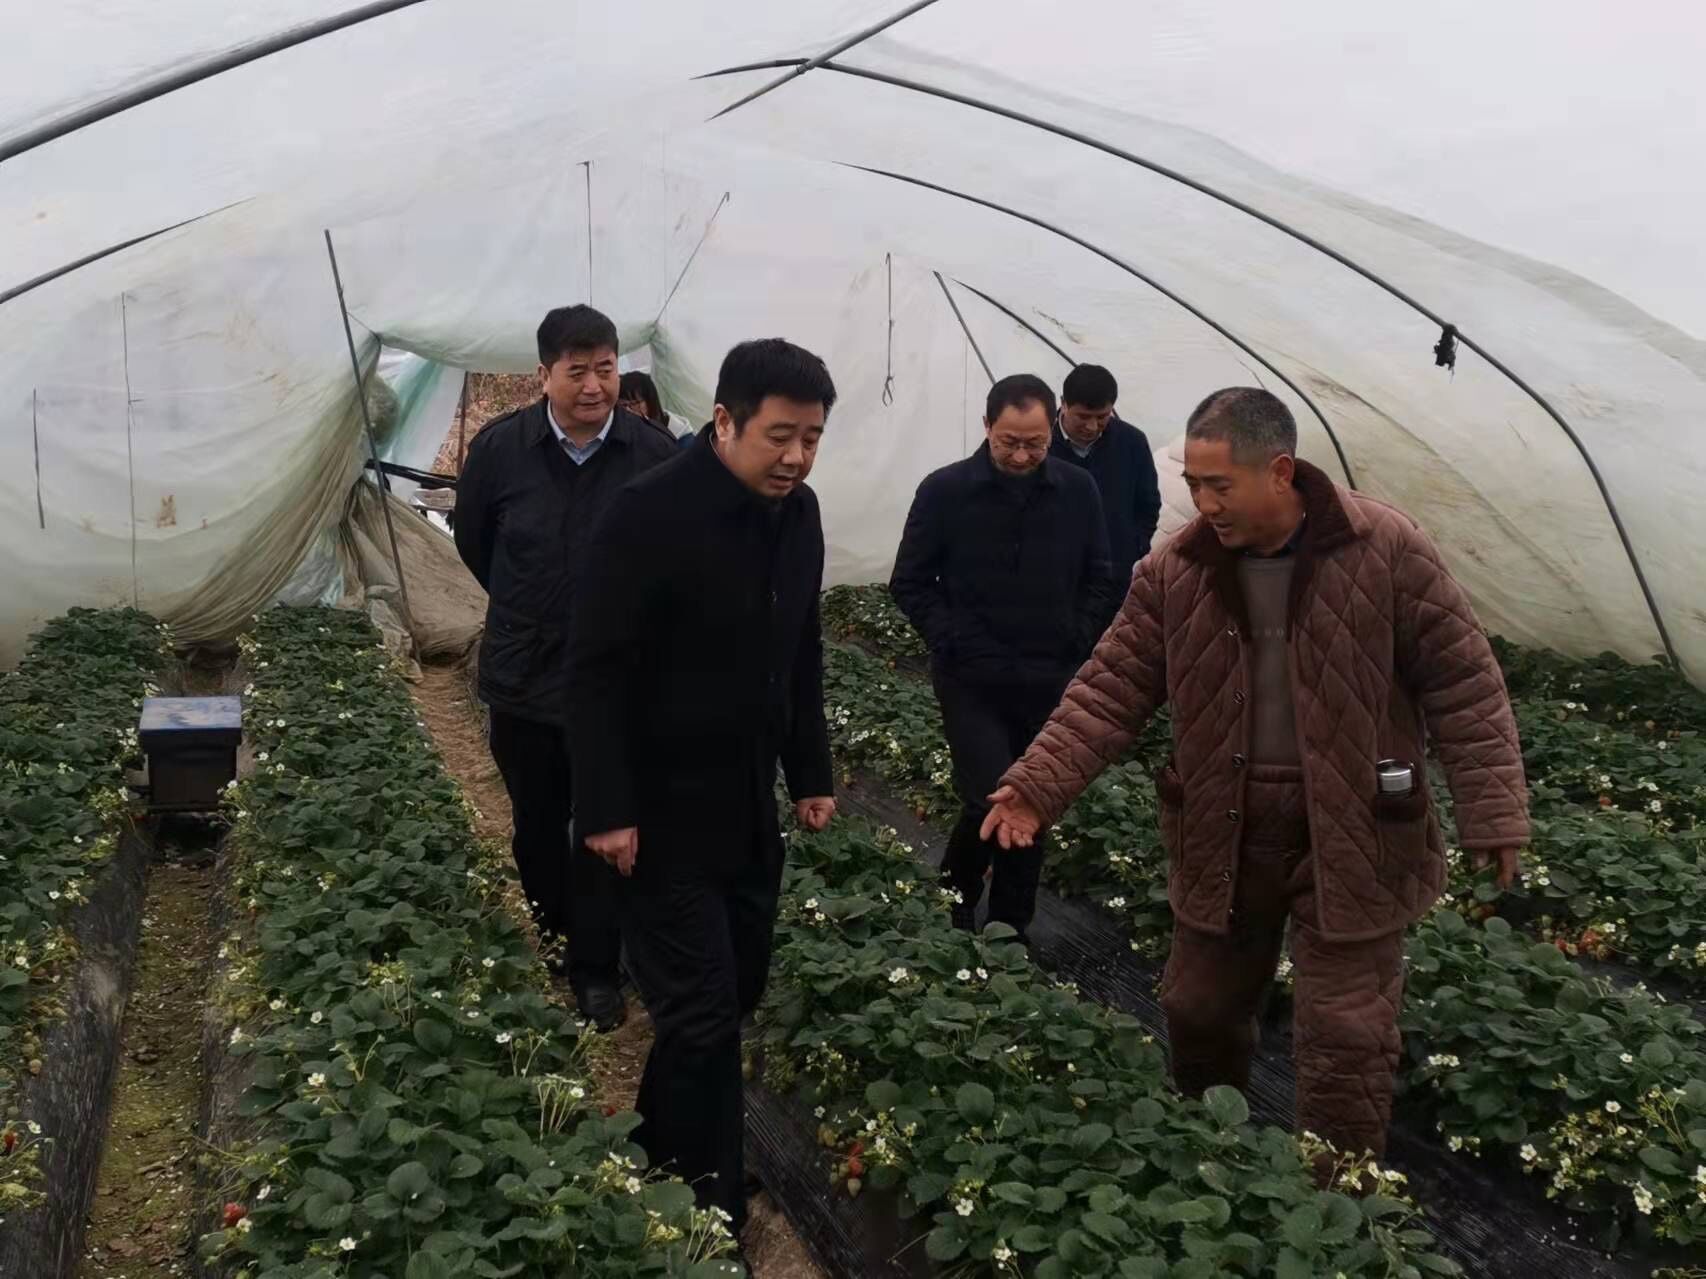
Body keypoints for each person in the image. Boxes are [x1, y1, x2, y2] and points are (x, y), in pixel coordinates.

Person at [982, 387, 1529, 1161]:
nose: (1204, 504)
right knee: (1197, 1007)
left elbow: (1463, 680)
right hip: (1223, 823)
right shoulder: (1176, 569)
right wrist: (1037, 785)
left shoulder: (1386, 548)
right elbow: (1111, 687)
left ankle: (1337, 1195)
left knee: (1346, 1031)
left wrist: (1493, 810)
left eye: (1219, 485)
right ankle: (1215, 1164)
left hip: (1356, 826)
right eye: (1194, 485)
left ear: (1278, 471)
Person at [567, 338, 838, 1239]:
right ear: (724, 420)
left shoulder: (798, 517)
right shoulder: (647, 514)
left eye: (811, 438)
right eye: (779, 436)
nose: (796, 457)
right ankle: (706, 1210)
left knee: (735, 988)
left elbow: (801, 646)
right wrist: (607, 807)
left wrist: (810, 771)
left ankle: (656, 1146)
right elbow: (596, 669)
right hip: (659, 809)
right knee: (704, 1010)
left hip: (746, 804)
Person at [453, 304, 678, 1032]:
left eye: (605, 369)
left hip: (619, 681)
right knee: (537, 821)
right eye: (576, 371)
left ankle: (596, 965)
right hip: (525, 673)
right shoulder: (500, 450)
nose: (593, 386)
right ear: (544, 374)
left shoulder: (653, 453)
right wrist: (528, 605)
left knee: (605, 819)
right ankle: (556, 930)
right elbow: (473, 541)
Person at [890, 374, 1115, 941]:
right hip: (971, 679)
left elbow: (1100, 575)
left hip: (1048, 675)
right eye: (1008, 441)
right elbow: (909, 581)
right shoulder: (945, 491)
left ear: (1051, 432)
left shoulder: (1077, 490)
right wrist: (950, 638)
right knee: (987, 794)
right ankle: (957, 895)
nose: (1020, 455)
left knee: (1032, 798)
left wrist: (1076, 636)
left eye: (1034, 444)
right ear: (987, 426)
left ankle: (1010, 925)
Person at [1050, 364, 1160, 627]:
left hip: (1115, 581)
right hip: (1055, 583)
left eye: (1102, 417)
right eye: (1083, 416)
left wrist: (1133, 548)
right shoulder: (1041, 444)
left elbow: (1148, 505)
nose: (1092, 426)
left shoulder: (1131, 442)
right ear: (1064, 404)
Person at [619, 369, 695, 450]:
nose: (627, 410)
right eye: (623, 405)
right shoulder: (624, 431)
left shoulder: (682, 438)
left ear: (650, 401)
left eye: (633, 403)